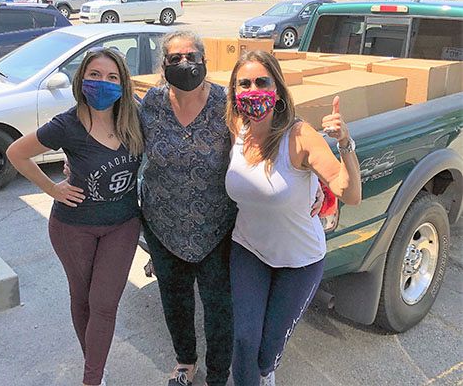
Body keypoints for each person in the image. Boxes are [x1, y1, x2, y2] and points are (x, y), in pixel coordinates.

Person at [6, 47, 144, 386]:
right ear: (81, 79)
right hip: (73, 228)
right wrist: (52, 189)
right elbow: (16, 153)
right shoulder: (67, 125)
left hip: (123, 224)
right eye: (95, 75)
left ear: (123, 84)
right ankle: (95, 365)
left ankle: (91, 379)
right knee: (82, 300)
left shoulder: (134, 117)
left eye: (112, 77)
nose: (103, 82)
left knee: (104, 304)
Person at [224, 50, 361, 386]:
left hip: (300, 261)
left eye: (262, 82)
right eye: (244, 84)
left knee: (265, 354)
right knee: (243, 341)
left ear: (278, 89)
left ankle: (265, 372)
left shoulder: (299, 136)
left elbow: (350, 193)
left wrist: (344, 143)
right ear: (234, 91)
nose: (253, 90)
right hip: (249, 249)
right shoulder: (236, 127)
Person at [139, 30, 236, 386]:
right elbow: (122, 140)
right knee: (175, 299)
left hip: (216, 226)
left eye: (191, 56)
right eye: (175, 58)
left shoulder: (226, 103)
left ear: (204, 61)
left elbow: (259, 145)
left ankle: (218, 374)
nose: (184, 63)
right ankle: (185, 361)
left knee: (219, 305)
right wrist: (75, 165)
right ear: (163, 65)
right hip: (163, 223)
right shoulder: (151, 103)